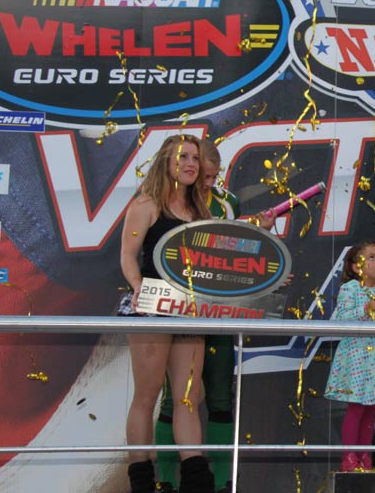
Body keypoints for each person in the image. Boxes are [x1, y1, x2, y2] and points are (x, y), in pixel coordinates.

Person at [154, 140, 275, 493]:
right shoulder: (168, 201)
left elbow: (235, 256)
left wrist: (263, 249)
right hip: (180, 313)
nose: (207, 183)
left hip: (219, 312)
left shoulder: (227, 202)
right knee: (175, 397)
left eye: (212, 177)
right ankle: (165, 482)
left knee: (221, 397)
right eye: (202, 176)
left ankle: (223, 484)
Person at [118, 134, 214, 493]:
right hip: (152, 308)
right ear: (166, 161)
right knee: (147, 395)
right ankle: (142, 480)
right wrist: (137, 286)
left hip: (190, 310)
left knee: (188, 397)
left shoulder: (202, 211)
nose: (190, 163)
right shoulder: (146, 204)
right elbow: (128, 255)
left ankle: (196, 479)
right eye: (183, 157)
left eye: (195, 158)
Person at [325, 241, 375, 472]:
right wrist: (365, 309)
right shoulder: (350, 289)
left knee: (371, 408)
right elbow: (341, 319)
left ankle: (364, 455)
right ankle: (349, 456)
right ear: (357, 266)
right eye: (371, 257)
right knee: (356, 407)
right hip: (356, 355)